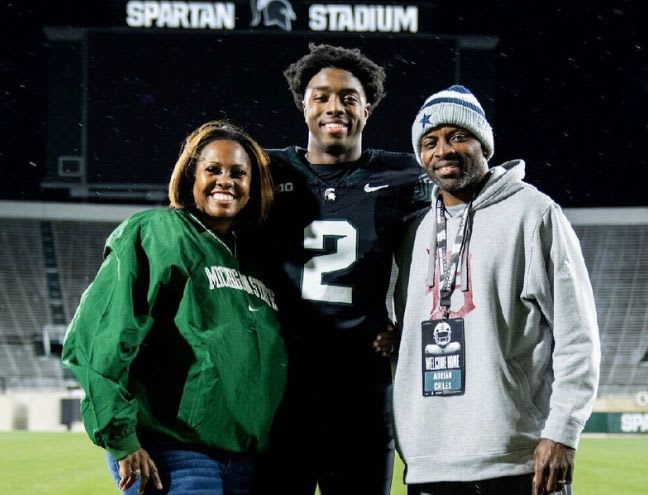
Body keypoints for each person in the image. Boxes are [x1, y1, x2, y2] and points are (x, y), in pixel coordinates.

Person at [392, 85, 601, 495]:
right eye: (430, 142)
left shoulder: (533, 214)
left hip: (517, 459)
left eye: (458, 137)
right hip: (430, 463)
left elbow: (578, 335)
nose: (443, 151)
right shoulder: (413, 231)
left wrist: (563, 431)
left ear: (483, 144)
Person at [61, 120, 287, 495]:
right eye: (212, 169)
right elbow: (101, 337)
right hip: (173, 450)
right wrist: (121, 438)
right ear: (190, 178)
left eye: (238, 172)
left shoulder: (256, 260)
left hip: (245, 460)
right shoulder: (156, 231)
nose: (225, 180)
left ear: (254, 184)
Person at [252, 43, 430, 495]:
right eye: (321, 96)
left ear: (367, 108)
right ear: (303, 105)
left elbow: (449, 246)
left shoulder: (406, 177)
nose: (335, 107)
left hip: (361, 387)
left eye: (348, 97)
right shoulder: (264, 169)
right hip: (282, 384)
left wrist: (412, 325)